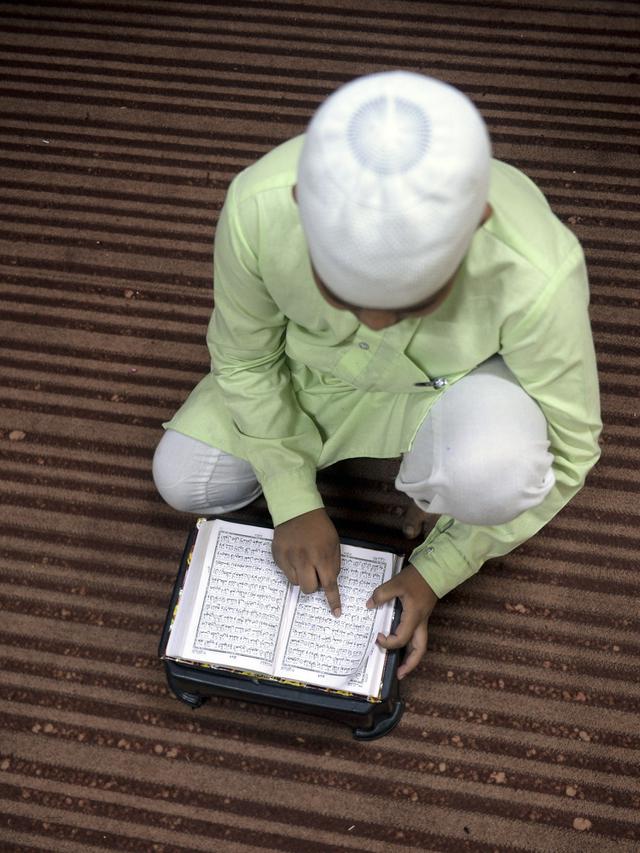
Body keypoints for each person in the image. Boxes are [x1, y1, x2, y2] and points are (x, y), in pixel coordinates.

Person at [153, 71, 601, 680]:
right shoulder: (257, 206)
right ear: (298, 208)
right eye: (342, 294)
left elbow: (573, 447)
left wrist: (435, 572)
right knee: (184, 480)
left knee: (497, 477)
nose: (376, 321)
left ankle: (436, 483)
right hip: (308, 377)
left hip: (448, 390)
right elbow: (246, 357)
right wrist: (292, 499)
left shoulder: (537, 269)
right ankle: (382, 476)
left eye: (416, 301)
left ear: (479, 225)